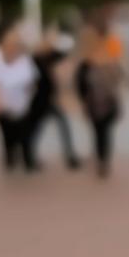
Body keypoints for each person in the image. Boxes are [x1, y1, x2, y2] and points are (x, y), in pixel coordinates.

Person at [0, 22, 39, 173]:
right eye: (10, 43)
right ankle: (10, 161)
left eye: (16, 43)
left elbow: (32, 81)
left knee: (26, 136)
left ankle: (29, 162)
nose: (13, 46)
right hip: (4, 108)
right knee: (8, 137)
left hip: (23, 107)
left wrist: (30, 96)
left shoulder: (25, 60)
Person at [27, 26, 82, 172]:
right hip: (40, 100)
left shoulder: (54, 55)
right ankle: (30, 158)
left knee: (63, 126)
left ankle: (70, 156)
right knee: (35, 130)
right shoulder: (35, 58)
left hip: (51, 99)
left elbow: (69, 58)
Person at [74, 19, 124, 179]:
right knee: (103, 132)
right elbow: (119, 74)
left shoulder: (102, 50)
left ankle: (102, 159)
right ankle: (103, 159)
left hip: (100, 101)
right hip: (102, 101)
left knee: (100, 132)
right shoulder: (107, 49)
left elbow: (80, 81)